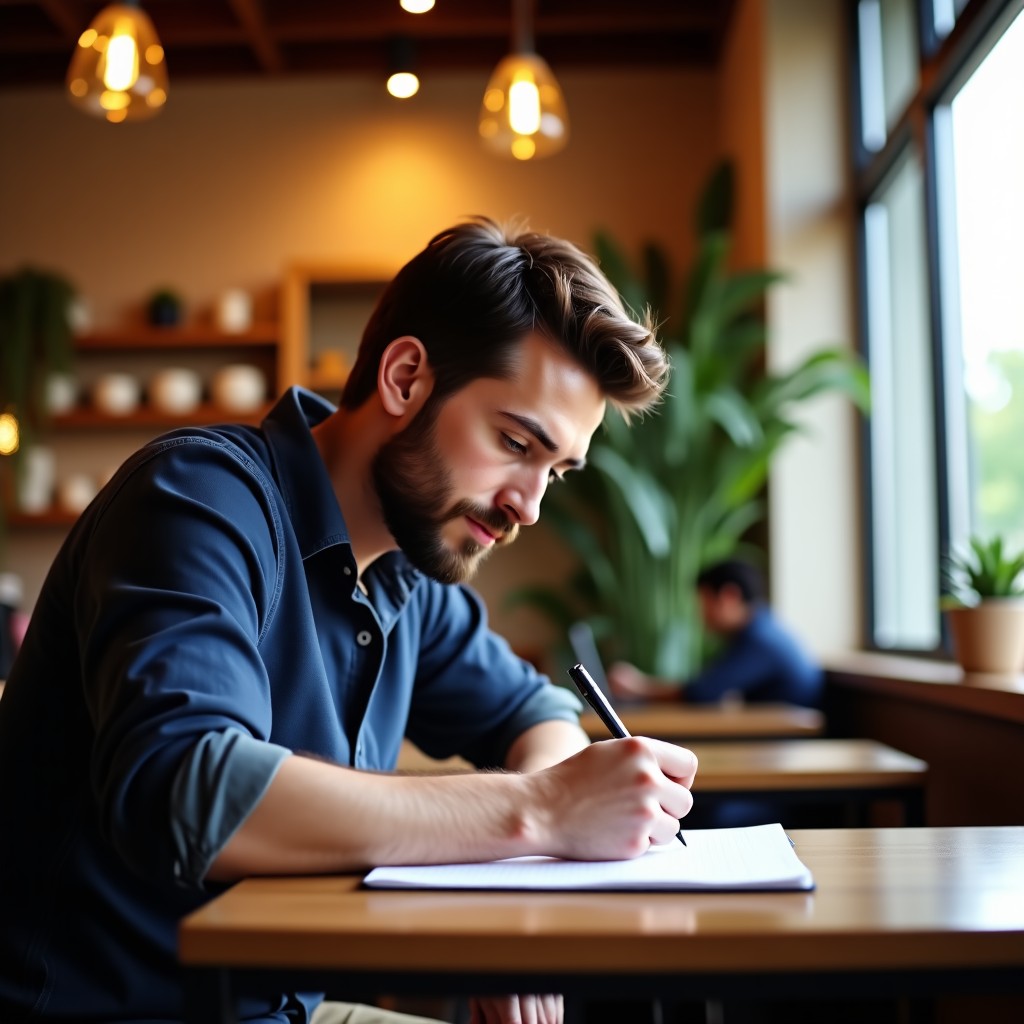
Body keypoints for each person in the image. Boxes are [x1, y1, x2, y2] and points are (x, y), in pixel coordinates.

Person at [0, 218, 697, 1024]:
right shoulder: (197, 499)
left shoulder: (409, 571)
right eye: (514, 442)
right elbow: (191, 790)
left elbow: (535, 713)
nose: (530, 505)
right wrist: (538, 813)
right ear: (405, 378)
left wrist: (524, 882)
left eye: (556, 471)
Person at [607, 559, 823, 709]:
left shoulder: (760, 640)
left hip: (786, 745)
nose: (701, 616)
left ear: (730, 596)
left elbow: (701, 693)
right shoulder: (762, 629)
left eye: (705, 604)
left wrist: (639, 687)